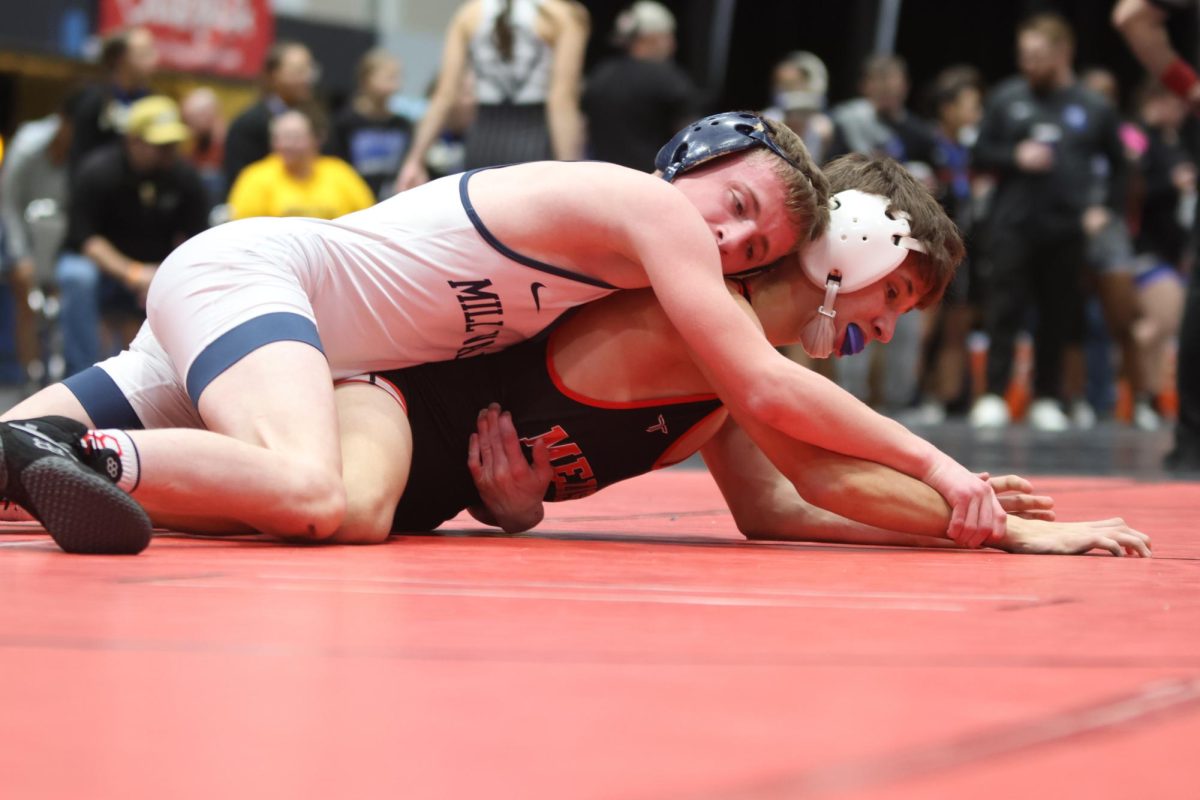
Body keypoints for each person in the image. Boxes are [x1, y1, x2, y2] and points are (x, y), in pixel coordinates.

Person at [0, 155, 1147, 557]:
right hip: (366, 389)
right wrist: (953, 482)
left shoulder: (737, 347)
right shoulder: (695, 298)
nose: (883, 331)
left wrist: (983, 529)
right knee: (330, 501)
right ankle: (82, 455)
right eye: (889, 298)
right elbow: (770, 390)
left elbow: (795, 499)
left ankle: (41, 458)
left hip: (384, 432)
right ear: (849, 246)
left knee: (330, 503)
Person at [969, 13, 1128, 432]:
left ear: (1063, 53)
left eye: (1038, 56)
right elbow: (979, 153)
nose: (1029, 65)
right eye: (1024, 56)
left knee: (1058, 314)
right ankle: (993, 395)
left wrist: (1104, 210)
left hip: (1066, 228)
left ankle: (1047, 397)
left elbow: (1121, 166)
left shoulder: (1093, 106)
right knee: (1003, 309)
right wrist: (1014, 156)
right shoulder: (1006, 97)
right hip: (1013, 223)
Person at [58, 95, 209, 378]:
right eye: (159, 146)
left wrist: (167, 272)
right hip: (99, 263)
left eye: (172, 145)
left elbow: (196, 240)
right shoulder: (98, 171)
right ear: (132, 140)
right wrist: (133, 272)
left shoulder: (185, 178)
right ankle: (79, 375)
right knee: (76, 277)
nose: (168, 153)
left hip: (157, 265)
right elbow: (86, 239)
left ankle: (175, 378)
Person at [1113, 0, 1200, 470]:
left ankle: (1157, 409)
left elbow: (1133, 16)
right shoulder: (1138, 138)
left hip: (1173, 251)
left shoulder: (1175, 141)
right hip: (1145, 251)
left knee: (1162, 324)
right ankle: (1142, 399)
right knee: (1157, 325)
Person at [397, 0, 588, 189]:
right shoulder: (561, 16)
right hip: (536, 144)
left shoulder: (469, 13)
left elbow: (444, 95)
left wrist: (414, 159)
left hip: (482, 145)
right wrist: (572, 171)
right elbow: (562, 101)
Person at [0, 92, 78, 392]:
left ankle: (59, 380)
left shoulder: (80, 151)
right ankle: (30, 377)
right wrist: (21, 257)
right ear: (63, 122)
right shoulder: (28, 146)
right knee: (26, 298)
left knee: (63, 294)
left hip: (59, 235)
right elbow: (8, 205)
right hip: (18, 228)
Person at [581, 1, 700, 170]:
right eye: (668, 37)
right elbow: (691, 137)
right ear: (651, 38)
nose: (673, 45)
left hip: (602, 177)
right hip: (651, 181)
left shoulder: (599, 74)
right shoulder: (667, 78)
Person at [227, 106, 375, 220]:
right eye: (280, 138)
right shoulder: (255, 177)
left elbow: (368, 217)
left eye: (295, 138)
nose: (287, 145)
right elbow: (244, 229)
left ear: (316, 139)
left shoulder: (339, 172)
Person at [222, 41, 319, 194]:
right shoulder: (248, 125)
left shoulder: (315, 119)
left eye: (310, 69)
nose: (307, 77)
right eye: (299, 71)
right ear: (274, 74)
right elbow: (238, 183)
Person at [68, 27, 158, 175]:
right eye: (144, 53)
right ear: (120, 58)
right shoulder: (93, 101)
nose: (154, 59)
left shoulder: (155, 103)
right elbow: (78, 158)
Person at [329, 49, 413, 200]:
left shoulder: (402, 125)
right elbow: (335, 167)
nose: (395, 83)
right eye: (388, 77)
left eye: (397, 76)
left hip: (392, 200)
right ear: (366, 79)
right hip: (353, 200)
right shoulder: (345, 122)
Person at [180, 87, 228, 213]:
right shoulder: (195, 148)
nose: (187, 128)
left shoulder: (231, 148)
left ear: (207, 116)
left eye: (190, 120)